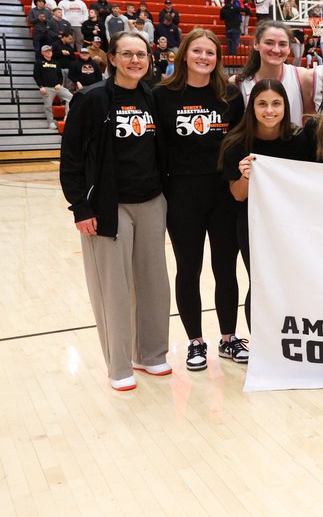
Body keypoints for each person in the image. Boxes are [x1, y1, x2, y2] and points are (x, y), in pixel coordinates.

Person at [59, 31, 170, 391]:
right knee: (115, 288)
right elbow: (71, 157)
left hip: (151, 200)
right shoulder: (91, 99)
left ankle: (150, 354)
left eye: (141, 54)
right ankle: (119, 364)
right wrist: (81, 207)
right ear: (112, 57)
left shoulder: (151, 98)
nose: (135, 60)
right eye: (127, 54)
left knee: (154, 284)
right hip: (110, 205)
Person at [152, 28, 246, 371]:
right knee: (188, 270)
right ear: (184, 55)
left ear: (217, 58)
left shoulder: (231, 95)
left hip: (223, 194)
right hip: (182, 196)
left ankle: (228, 338)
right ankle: (195, 341)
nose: (204, 58)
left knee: (225, 268)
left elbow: (240, 143)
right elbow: (157, 146)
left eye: (210, 52)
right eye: (197, 52)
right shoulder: (162, 95)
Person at [220, 80, 309, 333]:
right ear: (252, 107)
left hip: (293, 226)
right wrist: (246, 176)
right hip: (253, 225)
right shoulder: (236, 143)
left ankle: (291, 344)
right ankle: (261, 349)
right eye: (262, 104)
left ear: (285, 106)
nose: (269, 110)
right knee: (260, 284)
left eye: (276, 104)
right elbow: (237, 195)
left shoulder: (300, 140)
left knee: (293, 284)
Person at [234, 21, 312, 127]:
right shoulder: (238, 83)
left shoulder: (302, 77)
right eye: (269, 43)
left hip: (292, 142)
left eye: (282, 44)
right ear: (256, 44)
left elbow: (309, 119)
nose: (276, 49)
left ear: (289, 49)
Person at [36, 45, 73, 131]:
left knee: (71, 97)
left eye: (50, 51)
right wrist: (40, 86)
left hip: (57, 87)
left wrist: (59, 84)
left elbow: (60, 75)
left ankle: (67, 116)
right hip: (46, 88)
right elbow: (36, 75)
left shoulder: (56, 62)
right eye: (46, 51)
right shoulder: (39, 62)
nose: (49, 52)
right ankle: (51, 122)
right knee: (48, 105)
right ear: (42, 53)